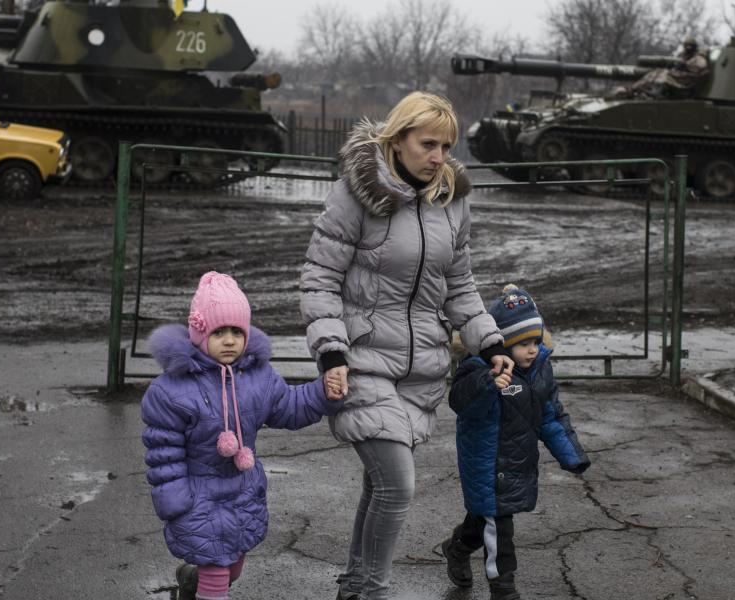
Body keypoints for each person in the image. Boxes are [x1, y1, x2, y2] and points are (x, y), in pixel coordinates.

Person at [299, 91, 515, 600]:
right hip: (362, 360)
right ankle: (372, 591)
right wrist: (332, 350)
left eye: (446, 146)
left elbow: (459, 284)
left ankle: (354, 587)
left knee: (381, 486)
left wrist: (490, 342)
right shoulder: (357, 194)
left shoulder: (453, 199)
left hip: (421, 371)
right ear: (396, 141)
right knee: (397, 484)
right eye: (427, 144)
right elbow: (319, 277)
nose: (438, 157)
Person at [141, 271, 345, 600]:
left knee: (232, 566)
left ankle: (190, 582)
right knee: (218, 571)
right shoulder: (172, 391)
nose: (230, 340)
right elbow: (164, 451)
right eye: (219, 331)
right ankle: (202, 584)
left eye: (237, 331)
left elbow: (289, 407)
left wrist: (323, 393)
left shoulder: (257, 378)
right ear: (199, 332)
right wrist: (176, 500)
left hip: (242, 493)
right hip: (199, 497)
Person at [439, 284, 591, 600]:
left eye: (536, 341)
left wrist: (571, 455)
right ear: (502, 343)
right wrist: (488, 384)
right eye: (523, 344)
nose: (532, 349)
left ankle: (457, 547)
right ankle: (503, 587)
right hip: (485, 461)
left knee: (485, 519)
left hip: (517, 462)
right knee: (499, 526)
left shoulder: (540, 371)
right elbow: (462, 403)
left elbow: (550, 416)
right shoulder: (478, 368)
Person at [616, 36, 709, 99]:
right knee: (657, 72)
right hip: (681, 78)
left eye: (690, 46)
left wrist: (685, 65)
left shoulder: (698, 57)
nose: (688, 48)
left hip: (688, 81)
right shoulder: (684, 55)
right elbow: (679, 63)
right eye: (686, 45)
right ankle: (635, 89)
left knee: (663, 74)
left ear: (694, 47)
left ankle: (635, 90)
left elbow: (700, 67)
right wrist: (675, 66)